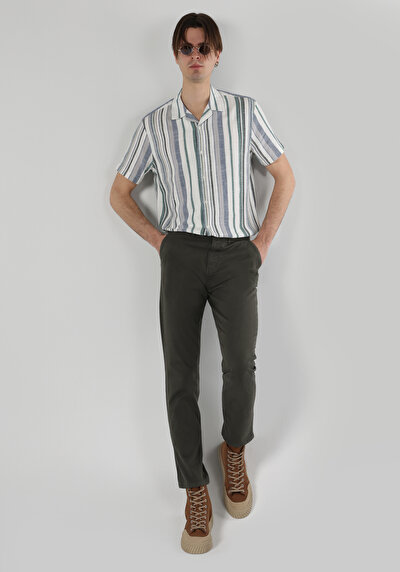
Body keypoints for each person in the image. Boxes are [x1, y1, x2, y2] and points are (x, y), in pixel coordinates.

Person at [110, 12, 296, 554]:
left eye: (204, 47)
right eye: (187, 48)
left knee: (240, 365)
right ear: (176, 55)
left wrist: (262, 242)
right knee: (180, 374)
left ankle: (233, 450)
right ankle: (194, 488)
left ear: (217, 55)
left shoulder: (244, 112)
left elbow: (284, 176)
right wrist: (160, 240)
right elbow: (119, 192)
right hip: (182, 255)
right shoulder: (154, 125)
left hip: (238, 254)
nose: (195, 56)